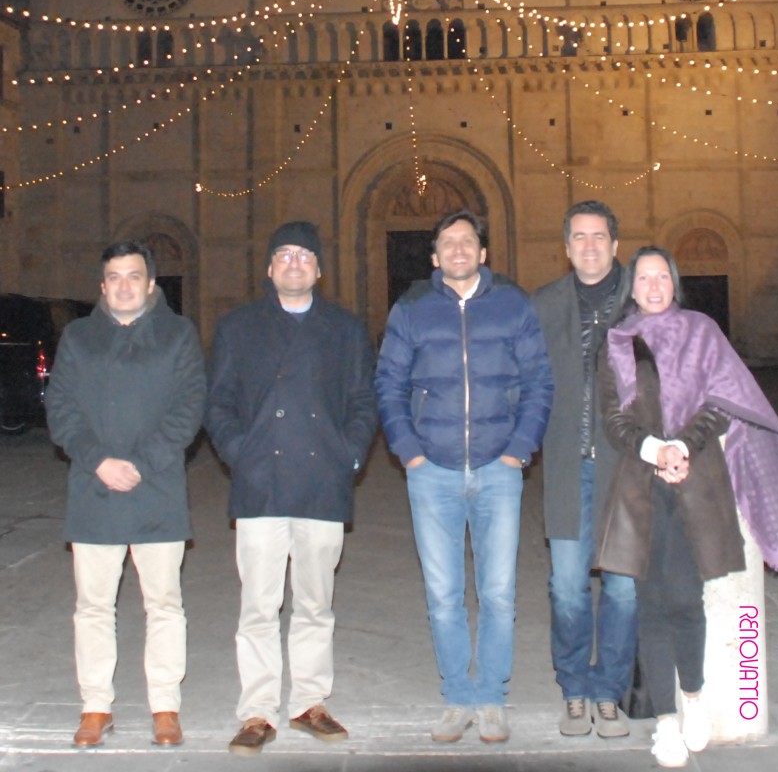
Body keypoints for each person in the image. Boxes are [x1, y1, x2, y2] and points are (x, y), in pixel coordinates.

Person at [597, 246, 778, 768]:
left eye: (661, 275)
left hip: (697, 480)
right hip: (642, 486)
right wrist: (656, 450)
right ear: (632, 287)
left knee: (687, 598)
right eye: (642, 276)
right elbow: (613, 419)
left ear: (674, 282)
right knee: (649, 604)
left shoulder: (702, 332)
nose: (652, 284)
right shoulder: (619, 342)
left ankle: (693, 699)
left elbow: (721, 401)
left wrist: (682, 446)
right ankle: (664, 721)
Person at [375, 209, 553, 745]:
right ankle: (457, 695)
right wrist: (408, 451)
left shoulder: (512, 305)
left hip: (499, 469)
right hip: (433, 472)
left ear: (484, 253)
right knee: (443, 593)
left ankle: (492, 699)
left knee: (498, 593)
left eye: (467, 241)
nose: (458, 249)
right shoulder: (411, 311)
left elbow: (539, 379)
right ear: (434, 257)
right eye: (448, 243)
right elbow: (388, 383)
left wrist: (520, 448)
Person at [206, 221, 377, 757]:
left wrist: (348, 455)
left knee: (315, 604)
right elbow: (218, 403)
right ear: (269, 268)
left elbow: (363, 402)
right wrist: (239, 453)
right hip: (261, 484)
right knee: (258, 606)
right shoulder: (239, 327)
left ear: (319, 269)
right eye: (284, 255)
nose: (295, 263)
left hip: (321, 484)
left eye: (305, 255)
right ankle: (256, 711)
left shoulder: (346, 330)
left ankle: (309, 702)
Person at [46, 240, 206, 749]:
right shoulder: (78, 337)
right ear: (102, 285)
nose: (123, 285)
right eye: (114, 277)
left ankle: (165, 706)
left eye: (133, 276)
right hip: (95, 489)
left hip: (155, 487)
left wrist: (141, 463)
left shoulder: (178, 335)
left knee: (164, 604)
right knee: (93, 606)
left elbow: (189, 407)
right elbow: (62, 408)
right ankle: (96, 706)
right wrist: (99, 460)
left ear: (151, 283)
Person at [532, 200, 636, 738]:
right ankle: (574, 687)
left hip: (627, 471)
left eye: (600, 237)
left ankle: (608, 691)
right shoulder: (545, 304)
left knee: (622, 588)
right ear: (566, 246)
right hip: (569, 466)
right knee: (567, 585)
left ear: (615, 245)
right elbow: (523, 377)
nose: (590, 245)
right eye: (580, 237)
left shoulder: (642, 301)